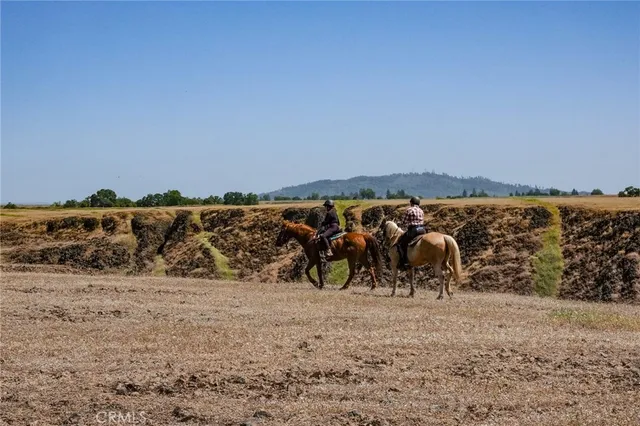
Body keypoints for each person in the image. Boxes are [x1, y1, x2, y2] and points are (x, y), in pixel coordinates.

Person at [395, 196, 426, 270]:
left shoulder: (409, 210)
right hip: (422, 229)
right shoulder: (421, 210)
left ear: (411, 202)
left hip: (414, 230)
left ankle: (405, 261)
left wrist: (399, 224)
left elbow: (404, 221)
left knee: (401, 243)